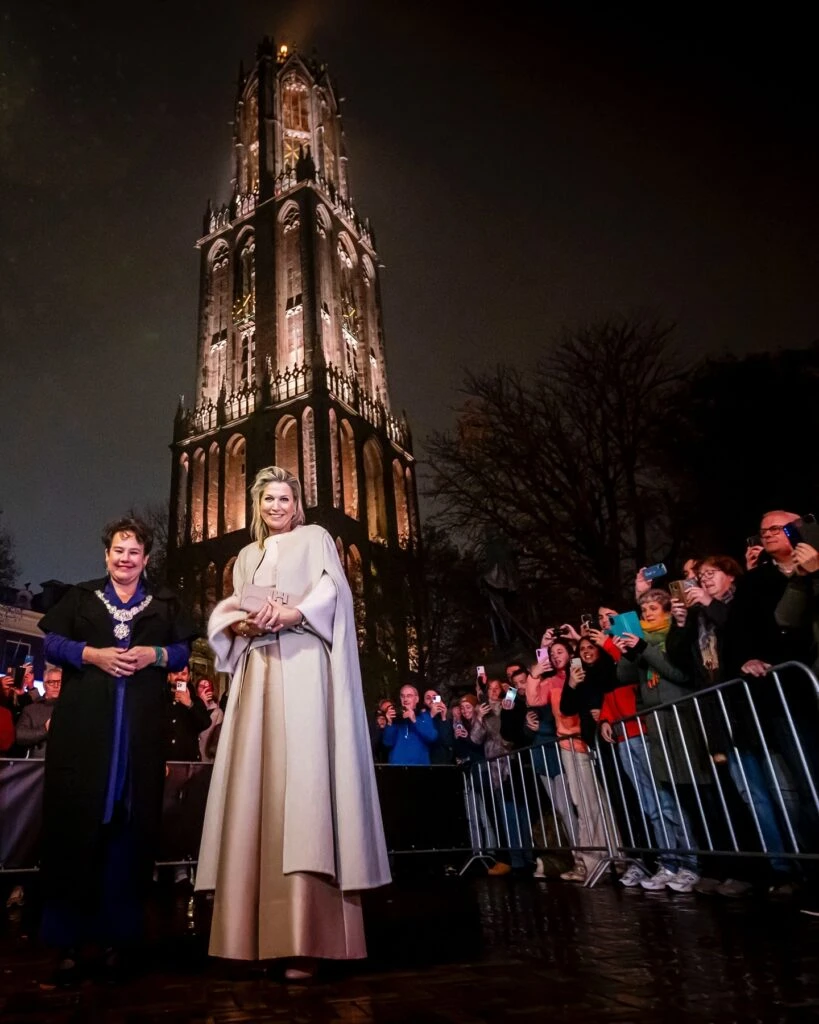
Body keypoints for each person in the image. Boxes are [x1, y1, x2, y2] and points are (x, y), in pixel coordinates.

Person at [196, 466, 389, 980]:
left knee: (303, 789)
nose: (276, 507)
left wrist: (294, 614)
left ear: (296, 504)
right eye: (268, 500)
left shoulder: (316, 538)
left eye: (285, 498)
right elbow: (231, 614)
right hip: (258, 673)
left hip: (303, 668)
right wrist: (238, 623)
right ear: (257, 505)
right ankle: (249, 932)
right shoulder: (245, 557)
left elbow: (333, 595)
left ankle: (307, 936)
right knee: (256, 792)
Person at [37, 516, 195, 985]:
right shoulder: (82, 597)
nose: (125, 559)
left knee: (130, 834)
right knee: (74, 830)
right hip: (84, 732)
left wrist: (155, 656)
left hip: (139, 736)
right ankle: (65, 942)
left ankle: (117, 940)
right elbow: (52, 642)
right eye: (117, 551)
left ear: (146, 559)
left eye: (134, 552)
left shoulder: (164, 603)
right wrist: (93, 655)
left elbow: (183, 651)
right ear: (106, 556)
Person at [382, 684, 438, 765]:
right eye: (402, 696)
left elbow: (432, 737)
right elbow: (387, 743)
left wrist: (415, 720)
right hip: (397, 768)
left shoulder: (424, 715)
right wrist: (390, 722)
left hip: (419, 768)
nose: (405, 699)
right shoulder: (395, 718)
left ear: (417, 699)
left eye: (409, 696)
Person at [15, 666, 62, 758]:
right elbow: (20, 735)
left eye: (59, 682)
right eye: (51, 682)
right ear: (44, 685)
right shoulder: (31, 709)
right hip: (39, 764)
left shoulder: (74, 708)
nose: (56, 686)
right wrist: (45, 729)